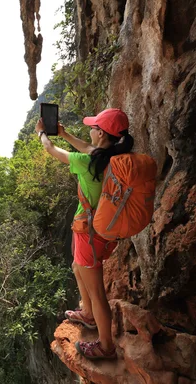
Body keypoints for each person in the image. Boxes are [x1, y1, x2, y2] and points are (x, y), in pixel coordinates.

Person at [35, 108, 134, 360]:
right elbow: (89, 149)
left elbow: (51, 151)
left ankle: (106, 346)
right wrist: (65, 133)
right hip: (100, 231)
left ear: (100, 133)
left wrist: (41, 135)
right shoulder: (114, 157)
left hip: (89, 233)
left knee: (97, 291)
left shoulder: (88, 162)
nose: (89, 130)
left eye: (93, 127)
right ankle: (88, 314)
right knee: (77, 267)